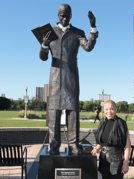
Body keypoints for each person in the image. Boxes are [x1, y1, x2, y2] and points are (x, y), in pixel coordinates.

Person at [39, 4, 98, 155]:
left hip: (71, 77)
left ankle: (73, 145)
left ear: (71, 15)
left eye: (67, 15)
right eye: (62, 15)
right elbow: (43, 58)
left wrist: (93, 28)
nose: (64, 18)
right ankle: (54, 145)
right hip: (55, 78)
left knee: (73, 112)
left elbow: (88, 47)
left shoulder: (78, 32)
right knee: (54, 112)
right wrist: (44, 46)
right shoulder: (48, 32)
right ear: (57, 15)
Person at [91, 100, 131, 179]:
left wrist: (125, 162)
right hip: (103, 159)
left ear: (115, 109)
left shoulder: (122, 123)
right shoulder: (102, 123)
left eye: (111, 109)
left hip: (116, 161)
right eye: (106, 109)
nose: (109, 111)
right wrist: (96, 149)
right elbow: (102, 142)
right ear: (104, 110)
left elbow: (127, 145)